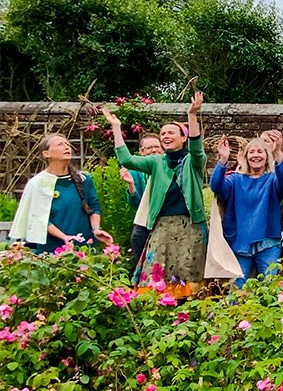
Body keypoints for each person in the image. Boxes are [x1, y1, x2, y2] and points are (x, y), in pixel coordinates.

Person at [103, 93, 208, 297]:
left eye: (171, 132)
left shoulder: (194, 162)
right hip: (161, 226)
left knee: (188, 273)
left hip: (190, 227)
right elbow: (127, 160)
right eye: (163, 133)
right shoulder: (156, 162)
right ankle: (160, 311)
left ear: (183, 138)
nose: (166, 136)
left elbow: (197, 147)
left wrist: (192, 115)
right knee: (156, 273)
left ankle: (186, 315)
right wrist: (116, 127)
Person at [210, 132, 283, 287]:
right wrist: (223, 160)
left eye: (260, 151)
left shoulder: (271, 179)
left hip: (267, 240)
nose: (256, 155)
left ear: (266, 156)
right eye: (252, 152)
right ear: (246, 157)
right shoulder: (235, 180)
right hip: (239, 241)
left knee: (269, 286)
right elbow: (216, 186)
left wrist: (277, 152)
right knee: (237, 287)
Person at [11, 134, 112, 253]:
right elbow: (39, 218)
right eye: (60, 144)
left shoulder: (84, 179)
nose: (67, 147)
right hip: (53, 248)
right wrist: (64, 237)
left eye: (68, 144)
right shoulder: (38, 183)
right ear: (46, 154)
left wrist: (96, 230)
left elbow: (94, 207)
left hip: (84, 247)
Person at [120, 133, 164, 264]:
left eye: (157, 146)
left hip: (165, 217)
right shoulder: (135, 171)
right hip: (145, 219)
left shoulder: (168, 167)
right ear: (141, 152)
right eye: (149, 148)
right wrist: (131, 184)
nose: (154, 150)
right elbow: (135, 203)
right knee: (137, 238)